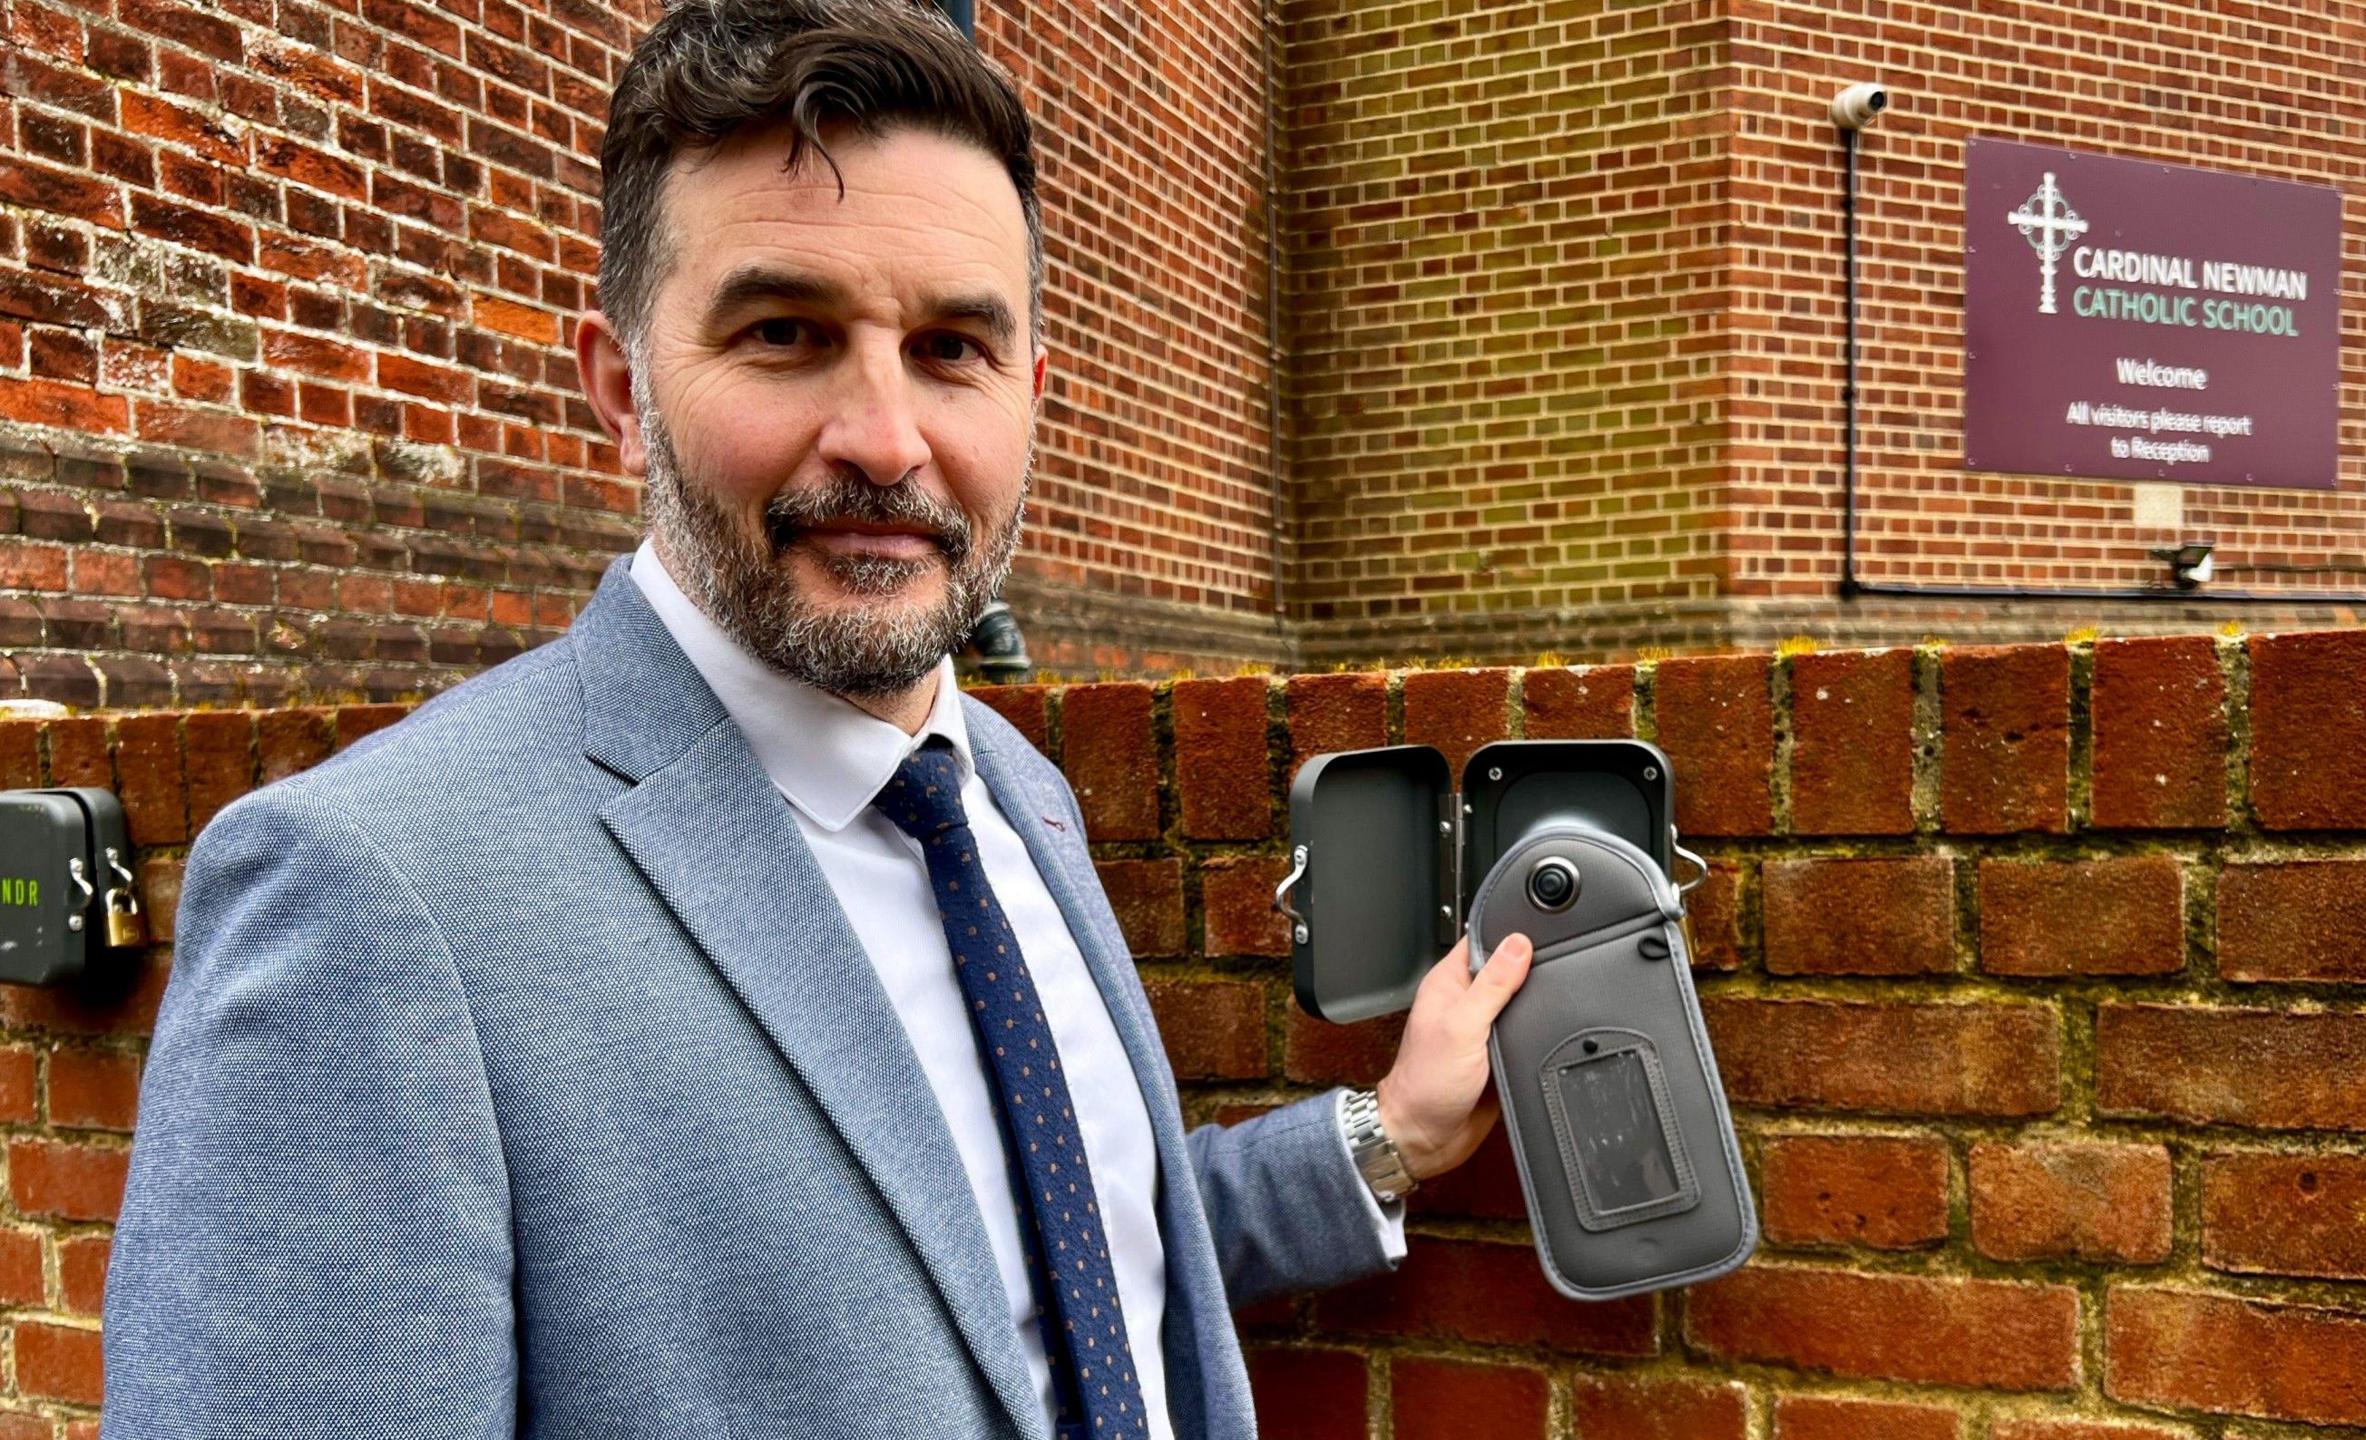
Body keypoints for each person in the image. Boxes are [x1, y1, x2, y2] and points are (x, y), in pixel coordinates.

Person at [101, 2, 1533, 1436]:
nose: (887, 439)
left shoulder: (1009, 794)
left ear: (1031, 397)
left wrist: (1383, 1141)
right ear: (623, 391)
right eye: (785, 333)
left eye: (954, 349)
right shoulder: (374, 898)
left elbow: (1028, 1263)